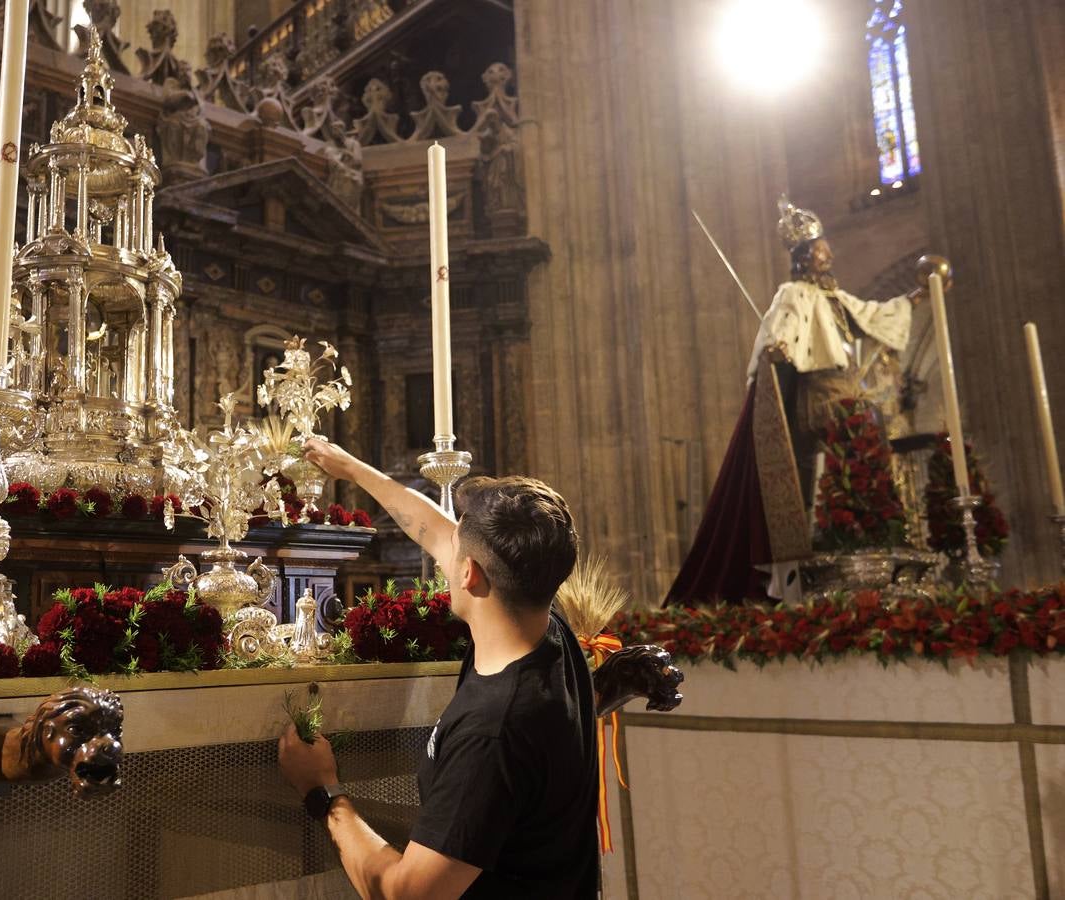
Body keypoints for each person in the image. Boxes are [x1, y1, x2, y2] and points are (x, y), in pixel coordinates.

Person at [278, 439, 597, 899]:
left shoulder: (495, 731)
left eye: (456, 548)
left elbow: (407, 894)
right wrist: (352, 469)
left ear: (469, 574)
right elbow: (431, 528)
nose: (444, 548)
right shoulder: (550, 633)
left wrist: (322, 791)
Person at [665, 195, 924, 606]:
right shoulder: (794, 293)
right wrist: (779, 348)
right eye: (821, 248)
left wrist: (912, 298)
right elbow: (779, 328)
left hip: (846, 389)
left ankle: (859, 527)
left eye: (826, 247)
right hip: (818, 394)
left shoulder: (834, 298)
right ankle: (827, 531)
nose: (828, 254)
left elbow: (871, 315)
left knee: (859, 451)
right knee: (834, 452)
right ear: (805, 256)